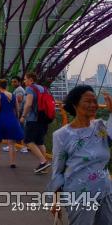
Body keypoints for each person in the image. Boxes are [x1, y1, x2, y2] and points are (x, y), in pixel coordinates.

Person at [48, 88, 112, 224]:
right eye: (88, 101)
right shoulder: (62, 135)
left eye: (95, 101)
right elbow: (58, 171)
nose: (93, 105)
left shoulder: (100, 126)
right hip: (80, 195)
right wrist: (55, 201)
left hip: (106, 191)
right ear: (74, 105)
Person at [20, 71, 51, 174]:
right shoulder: (43, 88)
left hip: (33, 119)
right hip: (44, 119)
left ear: (31, 80)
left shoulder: (30, 88)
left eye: (25, 79)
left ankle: (43, 162)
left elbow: (28, 104)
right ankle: (44, 167)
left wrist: (23, 116)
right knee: (40, 142)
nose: (24, 81)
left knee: (28, 141)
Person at [0, 79, 24, 167]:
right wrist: (17, 120)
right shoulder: (13, 95)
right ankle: (12, 162)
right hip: (12, 119)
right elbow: (17, 109)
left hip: (1, 119)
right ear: (6, 86)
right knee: (11, 143)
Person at [3, 76, 29, 153]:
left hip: (18, 112)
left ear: (19, 82)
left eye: (15, 82)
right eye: (12, 82)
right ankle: (14, 146)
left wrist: (8, 99)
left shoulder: (19, 90)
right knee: (17, 129)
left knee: (17, 129)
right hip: (18, 112)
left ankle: (22, 147)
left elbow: (19, 99)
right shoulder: (19, 89)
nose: (13, 83)